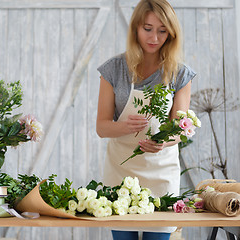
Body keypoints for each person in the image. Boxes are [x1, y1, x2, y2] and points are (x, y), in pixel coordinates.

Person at [96, 0, 196, 239]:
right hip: (121, 173)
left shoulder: (180, 74)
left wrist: (164, 141)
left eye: (162, 30)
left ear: (171, 33)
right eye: (148, 28)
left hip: (161, 174)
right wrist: (124, 127)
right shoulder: (114, 70)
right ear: (136, 29)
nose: (154, 37)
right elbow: (101, 127)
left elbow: (181, 128)